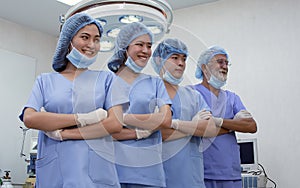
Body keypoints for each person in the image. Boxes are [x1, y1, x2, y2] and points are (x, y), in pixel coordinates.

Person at [19, 12, 123, 188]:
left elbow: (115, 123)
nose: (92, 44)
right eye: (85, 37)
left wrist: (64, 133)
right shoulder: (45, 81)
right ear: (68, 41)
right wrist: (84, 119)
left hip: (97, 175)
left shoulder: (107, 79)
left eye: (96, 39)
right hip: (55, 174)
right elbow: (30, 118)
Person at [151, 38, 229, 188]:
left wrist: (175, 124)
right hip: (161, 176)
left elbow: (210, 129)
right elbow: (158, 134)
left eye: (184, 59)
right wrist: (194, 127)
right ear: (160, 60)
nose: (181, 63)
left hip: (191, 178)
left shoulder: (193, 95)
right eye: (175, 58)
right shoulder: (150, 94)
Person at [107, 22, 173, 188]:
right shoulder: (105, 82)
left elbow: (165, 120)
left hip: (149, 173)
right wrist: (140, 130)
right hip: (113, 171)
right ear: (125, 47)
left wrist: (121, 119)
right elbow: (103, 129)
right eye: (140, 44)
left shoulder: (155, 83)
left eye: (149, 46)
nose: (145, 50)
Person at [193, 46, 257, 188]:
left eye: (227, 63)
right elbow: (197, 129)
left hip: (231, 173)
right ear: (204, 67)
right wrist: (232, 125)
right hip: (202, 172)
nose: (225, 66)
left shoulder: (232, 98)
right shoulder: (191, 94)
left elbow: (252, 126)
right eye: (220, 62)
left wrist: (219, 122)